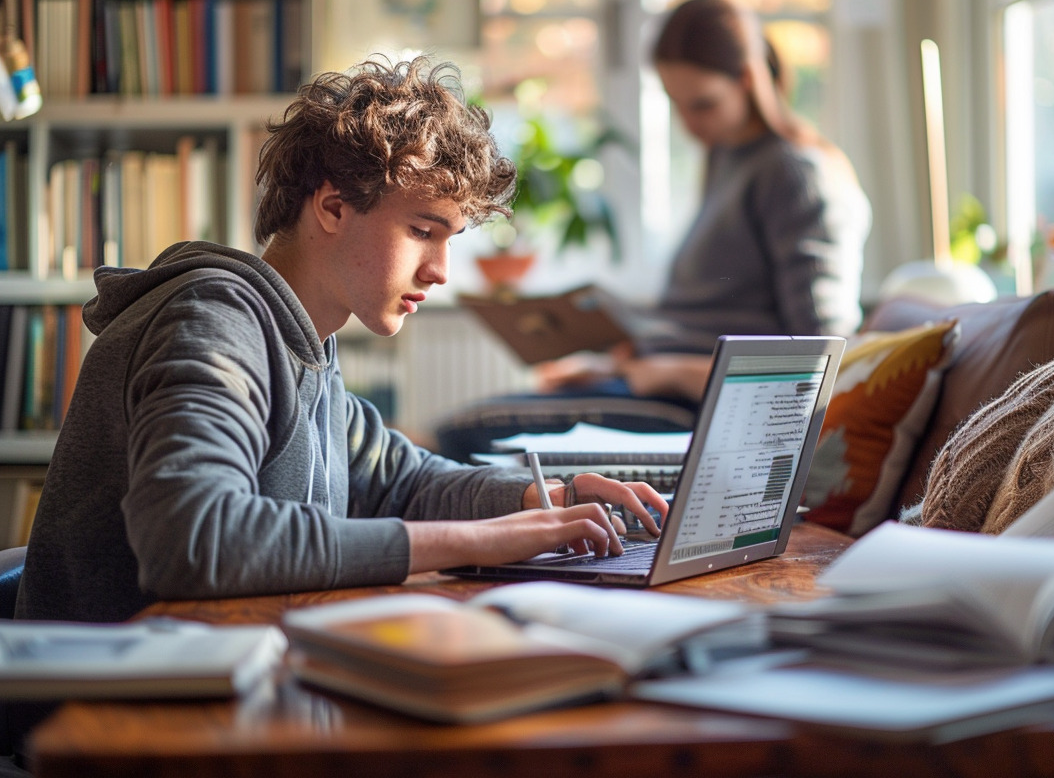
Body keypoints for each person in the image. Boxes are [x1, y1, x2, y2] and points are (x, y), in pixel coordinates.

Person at [15, 57, 669, 624]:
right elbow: (197, 538)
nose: (441, 271)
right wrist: (479, 539)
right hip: (112, 727)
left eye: (449, 241)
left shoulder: (302, 343)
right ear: (331, 208)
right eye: (422, 230)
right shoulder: (215, 322)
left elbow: (398, 478)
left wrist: (542, 500)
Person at [434, 0, 871, 459]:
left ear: (748, 80)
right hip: (659, 384)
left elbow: (822, 358)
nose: (688, 124)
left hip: (698, 404)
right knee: (459, 432)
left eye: (703, 104)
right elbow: (707, 318)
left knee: (460, 434)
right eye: (675, 104)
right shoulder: (729, 158)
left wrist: (668, 371)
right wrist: (612, 365)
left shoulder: (796, 174)